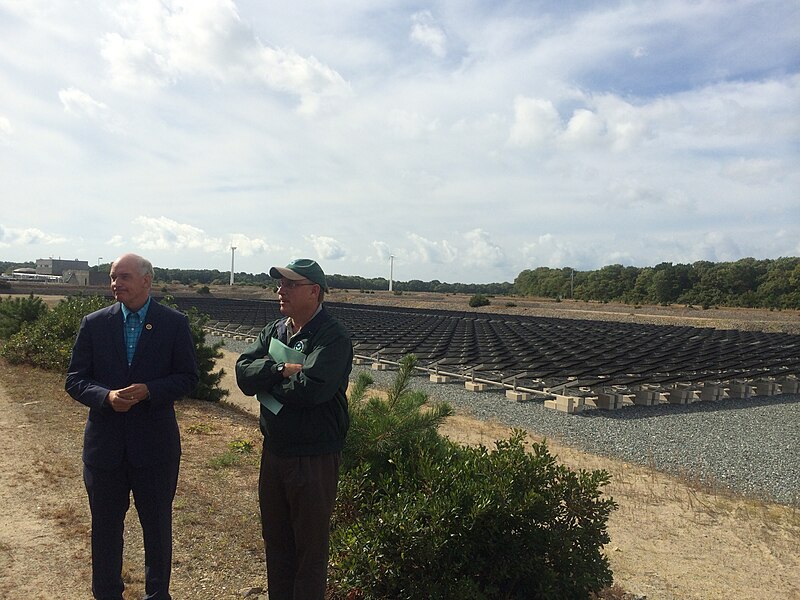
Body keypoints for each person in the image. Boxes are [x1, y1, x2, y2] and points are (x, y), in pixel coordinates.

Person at [65, 253, 198, 600]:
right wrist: (106, 396)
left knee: (157, 530)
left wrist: (151, 390)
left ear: (146, 280)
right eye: (112, 277)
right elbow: (75, 380)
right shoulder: (94, 323)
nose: (115, 283)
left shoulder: (174, 323)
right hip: (104, 448)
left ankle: (158, 595)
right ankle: (107, 593)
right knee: (105, 531)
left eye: (123, 276)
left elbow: (187, 378)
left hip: (155, 449)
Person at [236, 258, 352, 600]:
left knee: (309, 551)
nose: (280, 291)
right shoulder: (274, 330)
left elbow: (311, 389)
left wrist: (267, 380)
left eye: (290, 284)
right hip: (275, 453)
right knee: (277, 543)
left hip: (313, 458)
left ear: (314, 292)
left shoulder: (333, 337)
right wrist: (281, 369)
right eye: (280, 284)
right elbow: (243, 373)